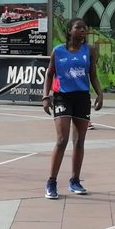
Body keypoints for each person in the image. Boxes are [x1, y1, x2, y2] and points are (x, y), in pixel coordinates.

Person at [42, 18, 104, 200]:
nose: (82, 30)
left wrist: (99, 93)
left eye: (84, 28)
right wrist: (46, 96)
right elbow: (49, 73)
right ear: (69, 31)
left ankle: (75, 180)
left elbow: (92, 74)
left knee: (79, 142)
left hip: (82, 97)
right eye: (78, 28)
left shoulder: (89, 50)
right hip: (63, 96)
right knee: (62, 140)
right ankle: (51, 182)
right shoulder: (58, 51)